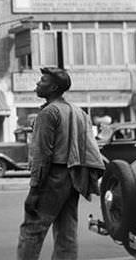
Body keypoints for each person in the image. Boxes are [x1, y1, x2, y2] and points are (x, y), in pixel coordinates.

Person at [16, 67, 104, 260]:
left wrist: (34, 190)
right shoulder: (79, 112)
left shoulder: (49, 113)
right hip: (74, 176)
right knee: (67, 231)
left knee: (32, 229)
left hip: (53, 177)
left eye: (42, 81)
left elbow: (42, 155)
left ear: (54, 87)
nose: (38, 83)